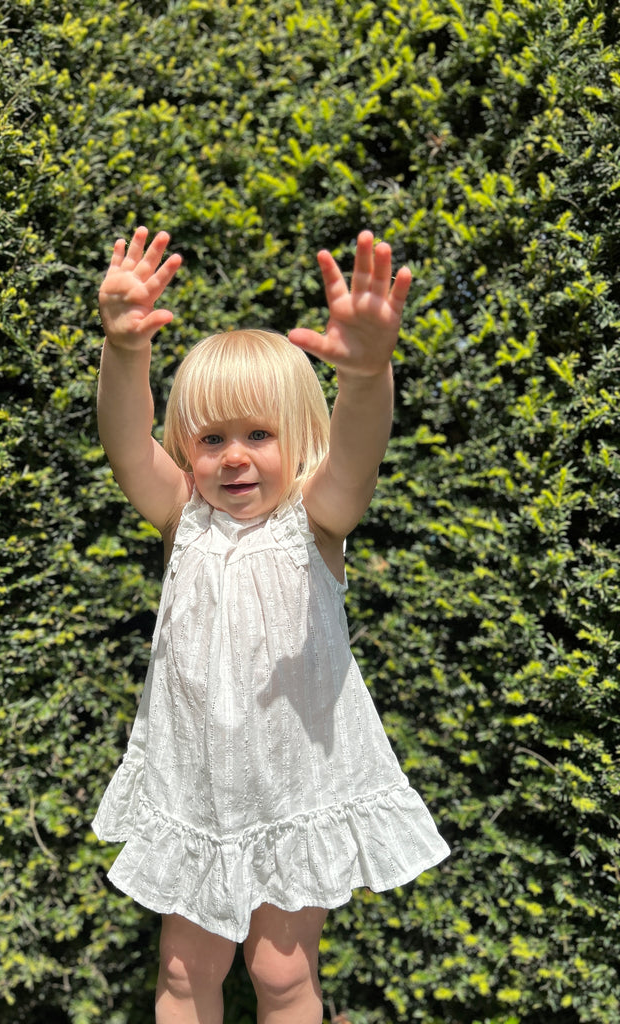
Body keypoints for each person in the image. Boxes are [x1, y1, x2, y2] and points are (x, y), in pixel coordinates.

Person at [91, 225, 450, 1024]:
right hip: (195, 795)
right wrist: (123, 349)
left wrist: (364, 375)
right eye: (211, 438)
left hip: (294, 794)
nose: (234, 457)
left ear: (299, 439)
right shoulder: (182, 516)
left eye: (259, 435)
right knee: (184, 978)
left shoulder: (317, 521)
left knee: (283, 976)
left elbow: (358, 449)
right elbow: (124, 440)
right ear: (187, 448)